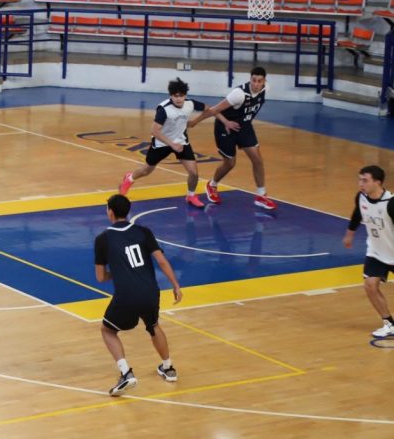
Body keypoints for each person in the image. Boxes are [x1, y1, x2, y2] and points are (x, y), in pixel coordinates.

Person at [95, 193, 183, 396]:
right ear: (128, 212)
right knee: (153, 325)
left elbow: (100, 277)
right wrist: (176, 285)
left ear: (110, 212)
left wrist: (118, 271)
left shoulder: (102, 239)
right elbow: (161, 261)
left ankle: (126, 373)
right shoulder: (144, 232)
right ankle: (168, 368)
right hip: (150, 290)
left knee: (108, 330)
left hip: (126, 294)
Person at [187, 66, 277, 211]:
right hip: (225, 128)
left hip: (244, 127)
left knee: (257, 160)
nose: (256, 84)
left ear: (264, 81)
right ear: (250, 79)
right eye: (253, 80)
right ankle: (212, 184)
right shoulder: (239, 94)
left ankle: (261, 195)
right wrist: (194, 122)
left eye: (259, 81)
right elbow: (214, 110)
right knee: (230, 163)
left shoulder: (266, 89)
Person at [119, 78, 208, 208]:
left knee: (194, 173)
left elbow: (209, 109)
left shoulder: (190, 104)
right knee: (146, 170)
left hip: (181, 141)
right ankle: (130, 178)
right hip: (162, 143)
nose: (178, 99)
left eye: (181, 96)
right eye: (175, 96)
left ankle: (191, 195)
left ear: (185, 95)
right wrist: (172, 145)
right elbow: (155, 131)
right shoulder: (164, 109)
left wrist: (195, 121)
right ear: (170, 96)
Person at [342, 165, 394, 338]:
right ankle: (389, 323)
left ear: (377, 182)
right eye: (359, 180)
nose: (360, 184)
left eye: (365, 180)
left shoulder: (391, 203)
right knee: (370, 285)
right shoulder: (361, 197)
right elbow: (357, 214)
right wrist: (349, 234)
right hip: (376, 252)